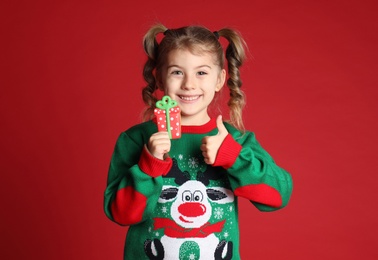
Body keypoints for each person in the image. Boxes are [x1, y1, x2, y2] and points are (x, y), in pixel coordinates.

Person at [104, 24, 293, 260]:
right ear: (160, 78)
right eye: (177, 72)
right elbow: (120, 214)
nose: (189, 84)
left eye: (201, 72)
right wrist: (148, 165)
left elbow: (278, 196)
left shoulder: (233, 141)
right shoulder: (136, 139)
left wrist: (234, 158)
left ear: (220, 79)